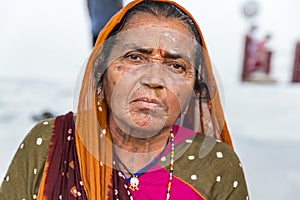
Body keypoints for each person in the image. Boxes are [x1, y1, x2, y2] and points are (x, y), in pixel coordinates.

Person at [0, 0, 249, 199]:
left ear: (195, 88)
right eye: (135, 57)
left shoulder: (216, 166)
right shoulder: (49, 145)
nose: (154, 80)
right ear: (101, 71)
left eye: (175, 66)